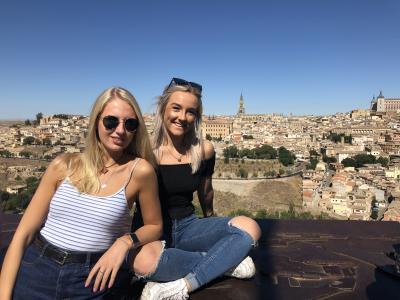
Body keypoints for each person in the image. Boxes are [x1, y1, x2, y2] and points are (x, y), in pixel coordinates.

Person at [0, 87, 162, 300]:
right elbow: (23, 235)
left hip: (93, 277)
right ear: (96, 122)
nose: (120, 130)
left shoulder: (139, 171)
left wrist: (124, 242)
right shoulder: (63, 166)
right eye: (111, 121)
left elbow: (155, 226)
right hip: (37, 268)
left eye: (129, 124)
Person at [134, 78, 262, 300]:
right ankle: (223, 262)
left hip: (188, 226)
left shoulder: (203, 150)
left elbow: (206, 191)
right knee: (142, 263)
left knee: (250, 227)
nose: (182, 117)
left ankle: (181, 286)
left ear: (196, 117)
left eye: (190, 111)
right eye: (176, 108)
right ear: (163, 108)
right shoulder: (143, 150)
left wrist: (211, 222)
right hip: (151, 231)